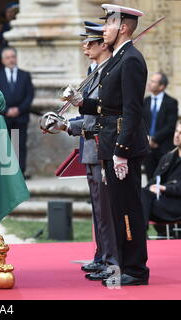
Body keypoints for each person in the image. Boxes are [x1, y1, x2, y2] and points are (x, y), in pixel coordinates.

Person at [64, 4, 150, 286]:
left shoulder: (131, 60)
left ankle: (135, 269)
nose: (104, 30)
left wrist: (121, 152)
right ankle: (123, 264)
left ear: (123, 27)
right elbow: (108, 107)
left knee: (127, 210)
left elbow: (132, 111)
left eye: (109, 24)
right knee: (116, 208)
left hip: (120, 148)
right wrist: (81, 103)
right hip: (109, 145)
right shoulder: (118, 59)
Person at [50, 22, 118, 280]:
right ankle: (102, 255)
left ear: (103, 45)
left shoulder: (108, 73)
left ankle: (111, 261)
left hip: (102, 147)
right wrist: (66, 125)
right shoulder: (94, 71)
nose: (84, 46)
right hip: (90, 147)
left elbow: (105, 116)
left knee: (106, 210)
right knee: (98, 209)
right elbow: (89, 118)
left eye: (90, 42)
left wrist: (75, 115)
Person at [0, 47, 34, 176]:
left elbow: (29, 95)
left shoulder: (25, 75)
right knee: (5, 145)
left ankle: (20, 171)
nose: (11, 60)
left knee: (20, 145)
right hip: (5, 117)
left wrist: (19, 109)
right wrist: (6, 110)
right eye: (8, 57)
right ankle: (7, 173)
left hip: (21, 116)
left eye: (13, 57)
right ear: (3, 60)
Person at [142, 121, 181, 238]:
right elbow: (153, 181)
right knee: (141, 194)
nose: (177, 135)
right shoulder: (168, 157)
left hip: (176, 204)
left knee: (141, 203)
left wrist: (164, 188)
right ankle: (142, 233)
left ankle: (140, 233)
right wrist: (153, 188)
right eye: (176, 131)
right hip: (162, 202)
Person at [143, 72, 179, 181]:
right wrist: (148, 138)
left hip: (163, 147)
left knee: (164, 179)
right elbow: (141, 122)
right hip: (147, 148)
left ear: (162, 86)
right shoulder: (145, 101)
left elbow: (171, 125)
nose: (150, 83)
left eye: (153, 81)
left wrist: (154, 139)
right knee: (150, 179)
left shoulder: (171, 102)